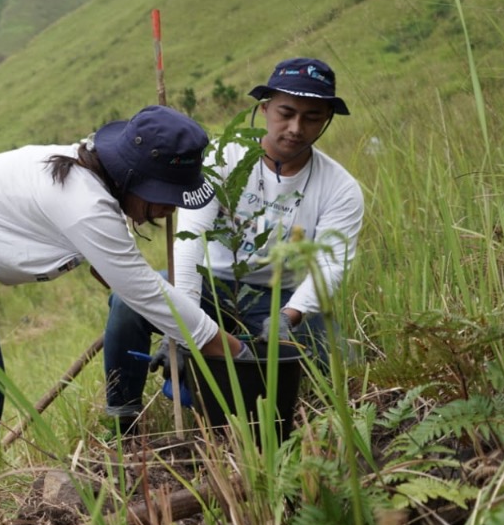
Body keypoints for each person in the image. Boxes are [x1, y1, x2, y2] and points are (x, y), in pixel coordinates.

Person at [0, 105, 251, 525]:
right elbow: (144, 290)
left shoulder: (89, 179)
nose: (168, 211)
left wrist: (166, 320)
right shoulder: (84, 202)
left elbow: (123, 278)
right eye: (165, 196)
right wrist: (237, 352)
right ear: (133, 179)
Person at [103, 58, 364, 433]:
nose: (295, 128)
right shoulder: (222, 158)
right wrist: (181, 326)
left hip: (280, 298)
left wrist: (291, 315)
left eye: (311, 117)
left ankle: (288, 418)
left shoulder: (340, 188)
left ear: (326, 120)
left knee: (341, 362)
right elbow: (190, 238)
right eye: (286, 113)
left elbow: (331, 264)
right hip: (208, 286)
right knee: (128, 300)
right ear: (265, 109)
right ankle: (122, 419)